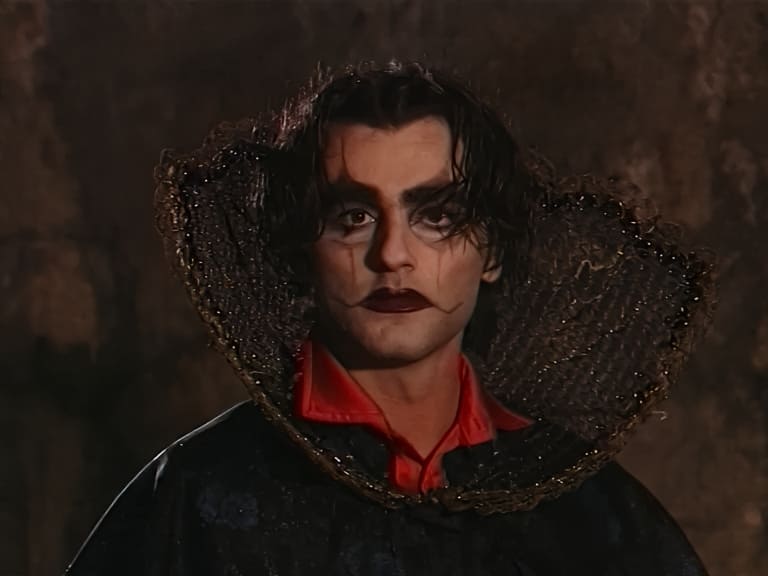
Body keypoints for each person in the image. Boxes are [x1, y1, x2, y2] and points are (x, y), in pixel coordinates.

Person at [65, 61, 715, 575]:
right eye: (353, 217)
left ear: (490, 250)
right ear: (303, 249)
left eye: (437, 215)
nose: (393, 254)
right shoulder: (200, 496)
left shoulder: (593, 514)